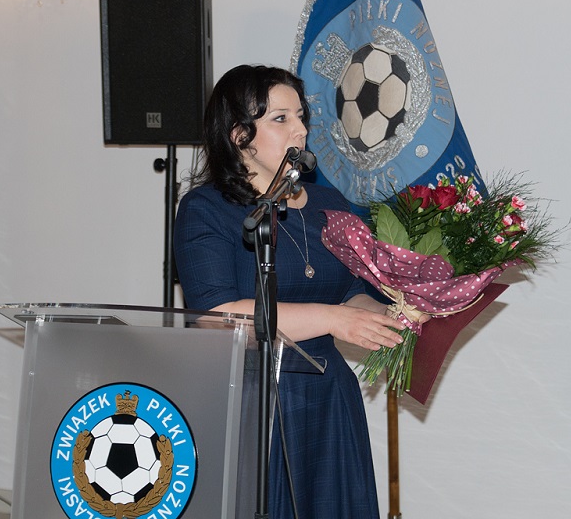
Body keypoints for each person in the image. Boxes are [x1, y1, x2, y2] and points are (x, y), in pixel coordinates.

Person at [173, 64, 406, 518]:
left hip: (328, 396)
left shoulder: (330, 204)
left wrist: (386, 316)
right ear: (239, 136)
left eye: (301, 116)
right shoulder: (206, 209)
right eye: (281, 119)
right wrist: (334, 320)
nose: (300, 129)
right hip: (252, 400)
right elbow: (218, 315)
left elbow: (351, 290)